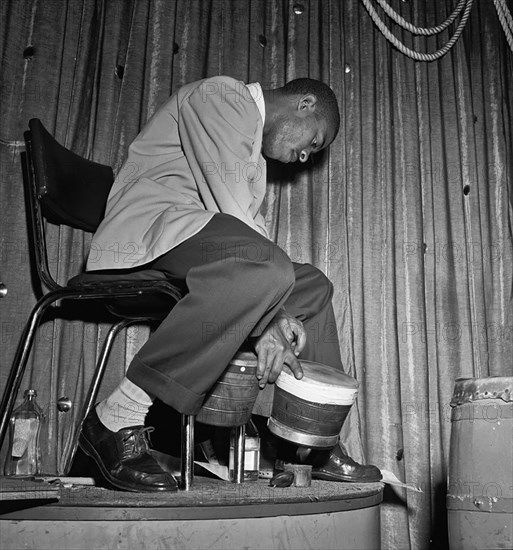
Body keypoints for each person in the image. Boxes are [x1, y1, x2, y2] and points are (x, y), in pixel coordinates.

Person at [79, 75, 381, 492]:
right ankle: (115, 417)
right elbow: (241, 226)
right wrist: (270, 316)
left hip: (194, 240)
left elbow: (250, 239)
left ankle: (310, 446)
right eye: (315, 141)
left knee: (311, 285)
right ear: (306, 104)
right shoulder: (223, 95)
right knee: (267, 269)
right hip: (148, 234)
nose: (305, 157)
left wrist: (275, 306)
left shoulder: (252, 154)